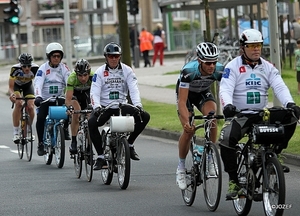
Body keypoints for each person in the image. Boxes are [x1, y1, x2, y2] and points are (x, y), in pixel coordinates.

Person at [218, 28, 300, 200]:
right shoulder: (232, 67)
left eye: (259, 45)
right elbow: (225, 89)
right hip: (242, 115)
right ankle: (234, 182)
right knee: (226, 138)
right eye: (252, 45)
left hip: (262, 114)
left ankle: (275, 155)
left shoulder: (268, 67)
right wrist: (228, 106)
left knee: (290, 116)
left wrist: (290, 103)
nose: (256, 49)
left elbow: (280, 86)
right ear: (243, 47)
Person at [88, 42, 150, 170]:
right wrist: (97, 107)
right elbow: (94, 91)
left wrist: (138, 105)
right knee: (92, 123)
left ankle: (130, 144)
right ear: (106, 57)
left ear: (120, 56)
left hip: (122, 106)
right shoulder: (99, 73)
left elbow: (133, 89)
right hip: (105, 107)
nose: (114, 59)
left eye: (116, 56)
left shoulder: (127, 70)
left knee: (145, 116)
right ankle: (100, 156)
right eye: (111, 56)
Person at [175, 42, 224, 190]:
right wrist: (186, 122)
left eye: (214, 62)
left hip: (203, 93)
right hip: (187, 95)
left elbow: (227, 91)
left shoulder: (220, 70)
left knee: (212, 118)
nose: (211, 66)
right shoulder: (188, 71)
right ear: (199, 60)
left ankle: (210, 157)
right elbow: (182, 102)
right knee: (189, 130)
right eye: (208, 63)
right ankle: (181, 167)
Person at [34, 42, 71, 156]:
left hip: (59, 98)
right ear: (49, 57)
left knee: (69, 112)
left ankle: (64, 128)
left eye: (58, 56)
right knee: (40, 118)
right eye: (54, 56)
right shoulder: (43, 68)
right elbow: (38, 84)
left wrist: (71, 95)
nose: (56, 58)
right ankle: (41, 143)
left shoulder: (64, 68)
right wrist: (38, 97)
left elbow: (69, 82)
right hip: (45, 99)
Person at [65, 59, 94, 154]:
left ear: (88, 73)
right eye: (80, 75)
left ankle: (89, 146)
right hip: (75, 96)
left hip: (87, 96)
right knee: (76, 112)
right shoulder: (72, 78)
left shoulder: (93, 77)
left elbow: (96, 94)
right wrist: (69, 108)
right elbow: (68, 99)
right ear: (76, 74)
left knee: (90, 118)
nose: (83, 78)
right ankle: (74, 141)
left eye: (85, 75)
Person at [9, 53, 39, 143]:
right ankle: (16, 133)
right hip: (16, 86)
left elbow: (39, 83)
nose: (27, 68)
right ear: (20, 65)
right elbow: (11, 87)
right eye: (24, 66)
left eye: (29, 66)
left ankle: (29, 130)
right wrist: (12, 95)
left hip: (28, 86)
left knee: (30, 106)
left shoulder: (35, 69)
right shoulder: (15, 69)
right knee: (18, 104)